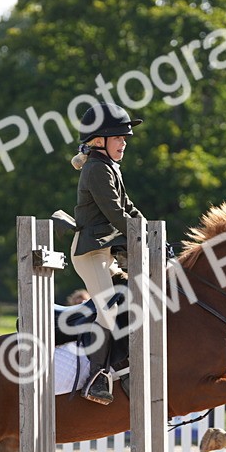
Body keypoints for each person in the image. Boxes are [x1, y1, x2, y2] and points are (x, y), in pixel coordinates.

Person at [68, 102, 145, 404]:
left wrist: (151, 232)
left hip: (105, 254)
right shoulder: (96, 169)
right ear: (99, 140)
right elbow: (115, 213)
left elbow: (129, 208)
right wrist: (139, 238)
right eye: (119, 137)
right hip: (90, 254)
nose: (124, 143)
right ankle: (96, 377)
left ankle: (122, 365)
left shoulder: (110, 167)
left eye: (125, 138)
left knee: (131, 299)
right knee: (108, 311)